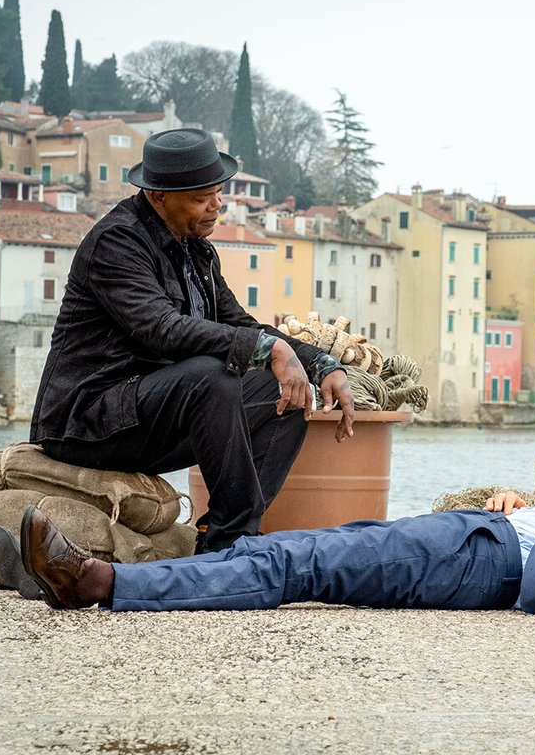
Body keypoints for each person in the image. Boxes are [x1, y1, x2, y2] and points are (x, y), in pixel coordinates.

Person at [18, 421, 535, 615]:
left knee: (298, 565)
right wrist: (526, 509)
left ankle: (99, 582)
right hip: (492, 536)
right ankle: (114, 578)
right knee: (291, 548)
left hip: (490, 567)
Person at [29, 129, 355, 553]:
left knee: (286, 392)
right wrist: (271, 349)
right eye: (203, 197)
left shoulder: (196, 251)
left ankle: (226, 541)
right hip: (88, 421)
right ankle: (232, 542)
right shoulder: (117, 241)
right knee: (210, 376)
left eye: (219, 193)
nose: (217, 205)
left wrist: (321, 365)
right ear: (159, 196)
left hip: (152, 413)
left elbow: (240, 323)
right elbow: (162, 329)